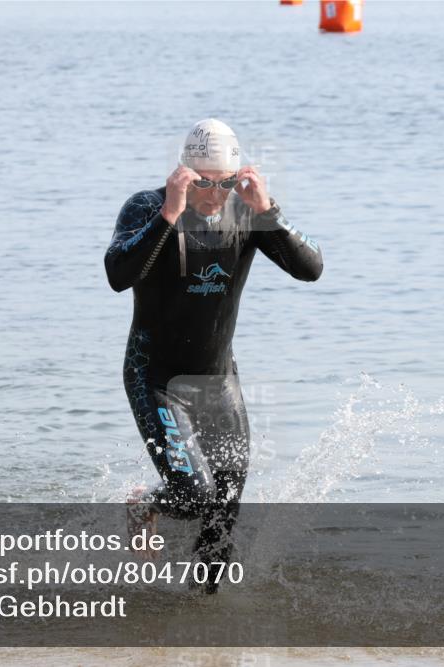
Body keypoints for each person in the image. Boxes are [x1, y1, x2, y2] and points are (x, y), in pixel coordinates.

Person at [104, 118, 323, 593]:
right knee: (192, 492)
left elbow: (311, 269)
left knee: (224, 505)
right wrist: (168, 214)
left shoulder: (247, 212)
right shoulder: (146, 207)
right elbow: (118, 275)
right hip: (156, 377)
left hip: (218, 381)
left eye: (224, 183)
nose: (214, 194)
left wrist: (268, 210)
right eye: (204, 183)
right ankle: (145, 505)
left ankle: (203, 611)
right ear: (184, 172)